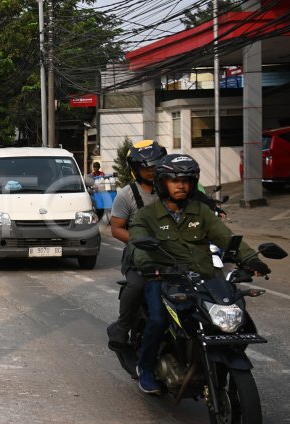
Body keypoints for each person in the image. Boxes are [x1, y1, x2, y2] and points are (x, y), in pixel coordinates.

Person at [128, 154, 268, 394]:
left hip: (205, 278)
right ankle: (147, 368)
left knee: (238, 320)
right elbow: (138, 245)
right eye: (174, 180)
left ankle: (216, 361)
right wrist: (151, 266)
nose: (181, 185)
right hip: (164, 279)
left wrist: (250, 259)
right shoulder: (146, 216)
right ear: (162, 183)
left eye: (186, 180)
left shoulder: (201, 211)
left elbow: (225, 237)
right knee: (159, 320)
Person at [105, 140, 167, 351]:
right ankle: (121, 327)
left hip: (175, 251)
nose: (151, 171)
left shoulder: (174, 187)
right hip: (140, 254)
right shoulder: (126, 195)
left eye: (155, 166)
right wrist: (141, 242)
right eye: (146, 168)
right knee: (138, 284)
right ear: (135, 170)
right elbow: (116, 229)